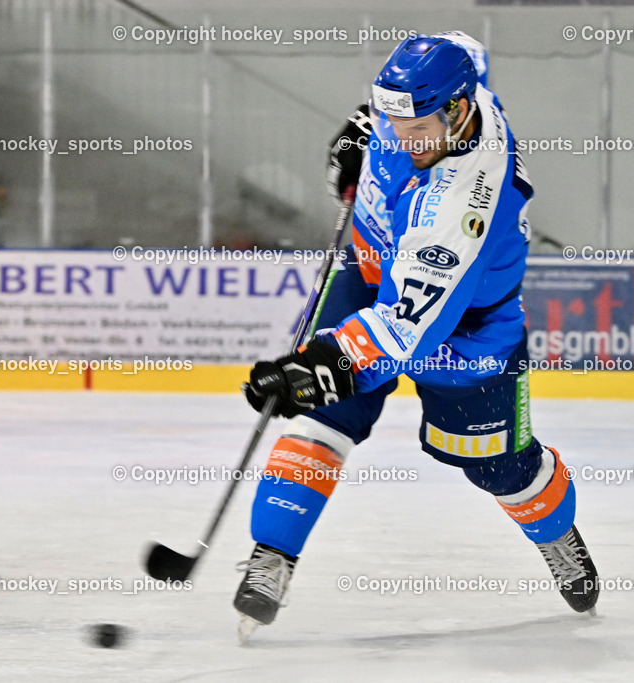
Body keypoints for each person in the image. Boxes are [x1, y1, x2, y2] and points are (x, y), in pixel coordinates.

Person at [234, 32, 599, 637]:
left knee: (498, 467)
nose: (401, 140)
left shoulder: (465, 202)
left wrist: (314, 372)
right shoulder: (441, 93)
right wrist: (357, 130)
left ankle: (558, 535)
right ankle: (273, 552)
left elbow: (406, 326)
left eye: (414, 129)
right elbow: (464, 49)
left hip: (463, 328)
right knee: (326, 423)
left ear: (458, 111)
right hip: (371, 269)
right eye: (389, 122)